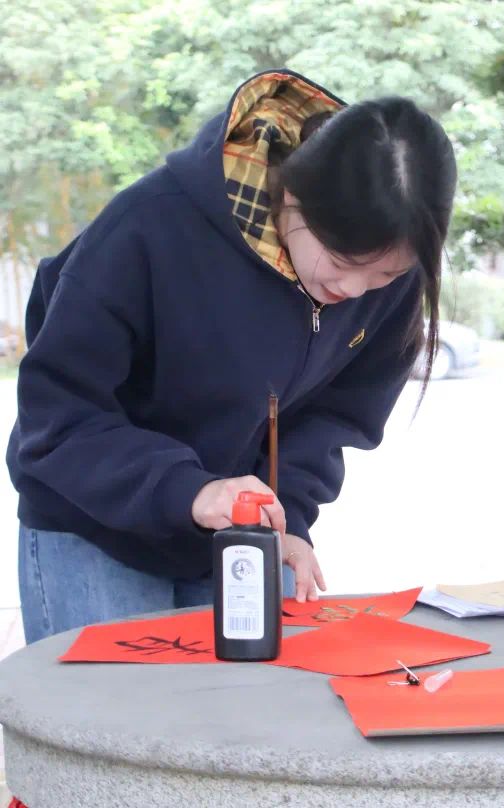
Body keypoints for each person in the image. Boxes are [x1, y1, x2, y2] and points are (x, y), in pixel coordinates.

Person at [8, 69, 456, 644]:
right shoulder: (146, 229)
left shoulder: (392, 272)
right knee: (115, 703)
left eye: (385, 275)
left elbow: (335, 418)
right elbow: (57, 419)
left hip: (238, 534)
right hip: (96, 522)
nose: (354, 291)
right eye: (342, 263)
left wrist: (288, 518)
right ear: (293, 196)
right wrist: (189, 491)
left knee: (245, 700)